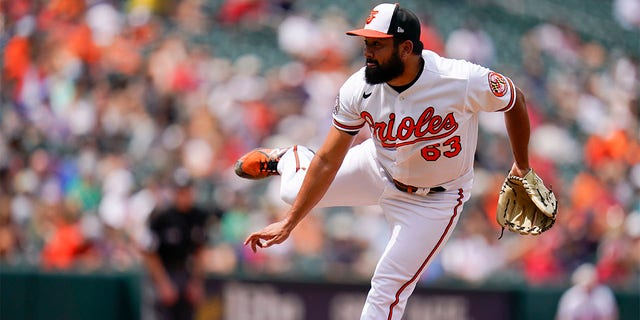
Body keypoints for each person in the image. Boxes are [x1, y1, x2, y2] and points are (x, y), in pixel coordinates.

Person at [236, 3, 533, 319]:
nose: (368, 52)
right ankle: (292, 157)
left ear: (406, 48)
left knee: (386, 290)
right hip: (376, 167)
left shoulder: (459, 79)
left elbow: (514, 100)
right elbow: (326, 161)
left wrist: (522, 165)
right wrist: (291, 221)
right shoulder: (359, 87)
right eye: (366, 42)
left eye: (377, 44)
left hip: (434, 201)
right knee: (292, 194)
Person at [141, 170, 211, 320]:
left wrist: (196, 282)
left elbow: (200, 251)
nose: (183, 195)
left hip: (185, 272)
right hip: (162, 271)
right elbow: (149, 252)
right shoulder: (161, 216)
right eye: (180, 191)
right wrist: (162, 283)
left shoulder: (198, 216)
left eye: (186, 191)